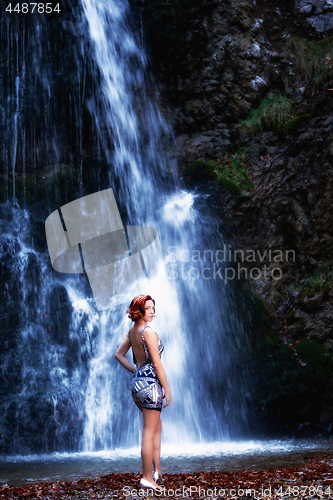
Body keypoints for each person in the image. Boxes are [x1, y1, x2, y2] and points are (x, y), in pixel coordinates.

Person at [115, 294, 171, 491]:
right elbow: (156, 364)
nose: (153, 311)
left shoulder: (132, 331)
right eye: (148, 308)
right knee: (149, 431)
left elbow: (118, 355)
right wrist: (167, 388)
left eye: (153, 307)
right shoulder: (147, 331)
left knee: (156, 428)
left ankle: (157, 472)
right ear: (139, 310)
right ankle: (147, 477)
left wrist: (136, 371)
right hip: (151, 386)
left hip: (138, 385)